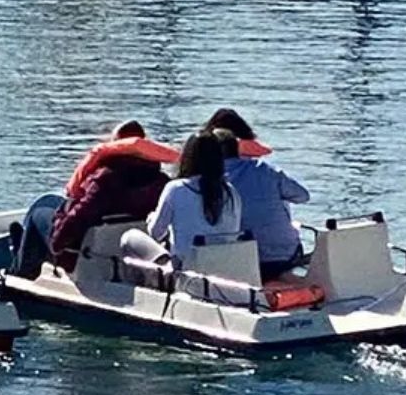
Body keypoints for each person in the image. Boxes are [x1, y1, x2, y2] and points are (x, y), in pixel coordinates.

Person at [45, 121, 176, 273]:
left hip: (90, 252)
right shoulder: (162, 182)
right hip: (128, 245)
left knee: (39, 211)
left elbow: (79, 217)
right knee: (50, 202)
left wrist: (57, 241)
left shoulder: (106, 179)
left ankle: (21, 273)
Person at [206, 110, 311, 280]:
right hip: (285, 256)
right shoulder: (265, 170)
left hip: (241, 259)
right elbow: (303, 196)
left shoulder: (204, 181)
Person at [144, 132, 244, 265]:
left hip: (187, 272)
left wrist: (152, 218)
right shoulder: (231, 192)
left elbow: (156, 233)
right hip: (225, 268)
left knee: (130, 238)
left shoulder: (175, 189)